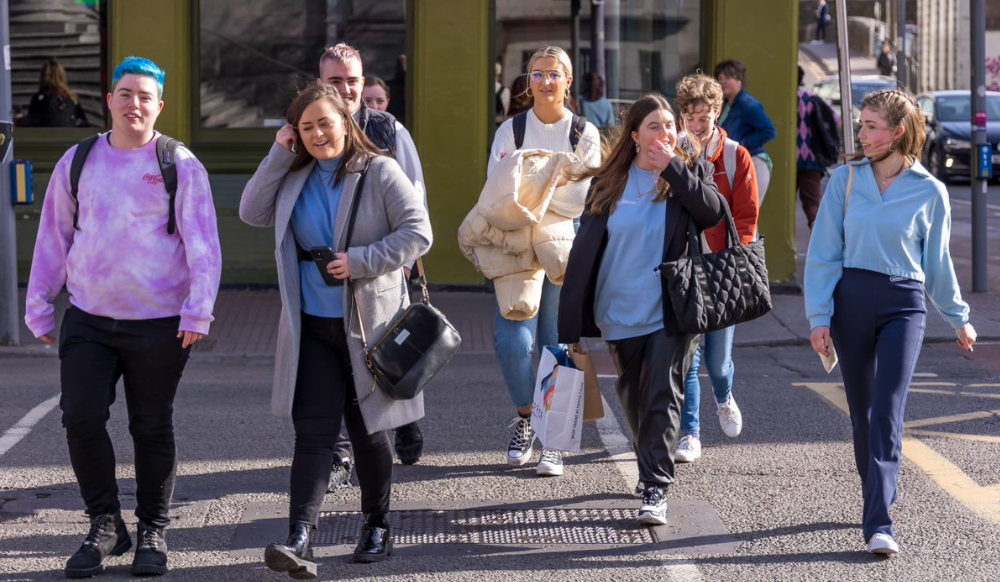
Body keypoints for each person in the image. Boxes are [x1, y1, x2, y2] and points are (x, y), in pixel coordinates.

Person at [24, 56, 222, 578]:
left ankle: (153, 529)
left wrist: (199, 309)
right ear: (109, 100)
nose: (135, 103)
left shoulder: (178, 163)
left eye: (145, 96)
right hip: (89, 318)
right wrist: (39, 304)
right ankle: (106, 524)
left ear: (159, 106)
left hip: (159, 322)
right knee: (81, 416)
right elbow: (54, 236)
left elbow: (203, 245)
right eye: (125, 93)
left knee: (150, 425)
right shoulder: (79, 160)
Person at [240, 83, 432, 573]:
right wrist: (277, 154)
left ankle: (378, 525)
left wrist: (363, 260)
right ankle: (299, 538)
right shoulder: (293, 175)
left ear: (346, 122)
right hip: (310, 326)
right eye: (306, 127)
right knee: (313, 435)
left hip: (366, 327)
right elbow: (251, 211)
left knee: (368, 430)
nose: (318, 134)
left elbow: (418, 233)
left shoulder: (380, 171)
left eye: (325, 122)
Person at [805, 90, 977, 556]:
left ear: (897, 132)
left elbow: (937, 263)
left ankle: (880, 521)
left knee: (887, 411)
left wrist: (958, 318)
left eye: (871, 126)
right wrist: (819, 315)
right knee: (862, 415)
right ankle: (877, 494)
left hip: (905, 302)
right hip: (851, 300)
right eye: (860, 125)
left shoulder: (930, 190)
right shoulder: (844, 180)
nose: (860, 134)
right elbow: (824, 252)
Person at [559, 94, 724, 525]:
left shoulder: (689, 174)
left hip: (672, 308)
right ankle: (648, 454)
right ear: (634, 136)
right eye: (654, 126)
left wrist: (674, 166)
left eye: (670, 125)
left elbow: (712, 214)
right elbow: (587, 249)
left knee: (662, 393)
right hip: (618, 308)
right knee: (633, 394)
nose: (665, 133)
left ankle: (655, 485)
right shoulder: (609, 182)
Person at [487, 46, 600, 477]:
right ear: (528, 80)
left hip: (562, 250)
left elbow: (580, 199)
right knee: (512, 342)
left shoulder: (583, 133)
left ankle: (553, 436)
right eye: (538, 74)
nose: (546, 82)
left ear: (568, 81)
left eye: (554, 74)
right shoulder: (511, 131)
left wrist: (532, 185)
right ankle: (525, 415)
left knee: (555, 341)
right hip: (515, 246)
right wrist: (555, 176)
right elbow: (498, 190)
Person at [319, 43, 427, 478]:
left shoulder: (387, 129)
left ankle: (406, 425)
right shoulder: (310, 128)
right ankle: (341, 453)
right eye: (335, 81)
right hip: (328, 275)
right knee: (341, 369)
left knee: (391, 357)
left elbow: (415, 195)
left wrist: (402, 260)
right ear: (320, 81)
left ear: (363, 83)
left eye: (352, 81)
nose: (345, 89)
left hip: (382, 267)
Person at [673, 74, 759, 463]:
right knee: (687, 355)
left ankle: (724, 396)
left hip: (722, 265)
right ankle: (690, 433)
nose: (695, 125)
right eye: (689, 117)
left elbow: (747, 216)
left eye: (702, 118)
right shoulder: (671, 152)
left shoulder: (735, 155)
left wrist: (733, 258)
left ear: (716, 112)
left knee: (716, 361)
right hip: (685, 267)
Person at [715, 60, 776, 206]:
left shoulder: (748, 104)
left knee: (747, 215)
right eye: (719, 78)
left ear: (739, 79)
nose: (722, 81)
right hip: (734, 166)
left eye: (727, 77)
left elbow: (769, 131)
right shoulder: (725, 105)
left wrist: (742, 144)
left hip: (754, 163)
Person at [796, 65, 840, 229]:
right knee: (812, 202)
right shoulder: (811, 99)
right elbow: (835, 118)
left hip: (788, 160)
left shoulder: (783, 98)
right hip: (811, 158)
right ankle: (817, 232)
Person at [25, 57, 89, 127]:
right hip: (70, 136)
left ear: (43, 76)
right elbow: (85, 124)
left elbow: (30, 124)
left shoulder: (38, 99)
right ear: (62, 76)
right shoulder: (72, 98)